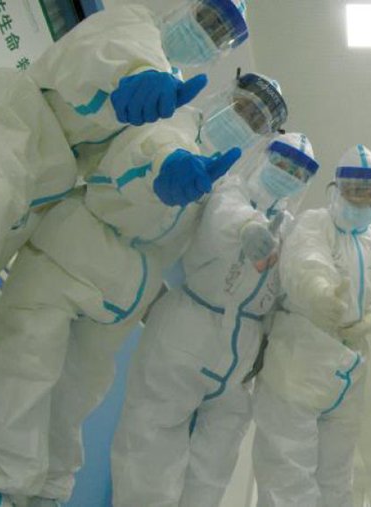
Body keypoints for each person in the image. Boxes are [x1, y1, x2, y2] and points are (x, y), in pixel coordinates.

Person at [0, 73, 285, 506]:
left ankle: (48, 493)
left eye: (258, 122)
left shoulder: (220, 180)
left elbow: (219, 224)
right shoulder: (174, 121)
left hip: (121, 294)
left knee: (75, 400)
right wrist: (164, 170)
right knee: (21, 372)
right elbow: (143, 153)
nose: (245, 122)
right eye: (245, 107)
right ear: (228, 95)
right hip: (70, 257)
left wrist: (248, 234)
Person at [0, 0, 250, 304]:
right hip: (15, 122)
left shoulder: (169, 100)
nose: (206, 34)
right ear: (190, 8)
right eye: (209, 19)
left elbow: (139, 148)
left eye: (219, 35)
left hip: (48, 181)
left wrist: (163, 165)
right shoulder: (136, 23)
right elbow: (114, 49)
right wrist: (137, 72)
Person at [110, 132, 317, 507]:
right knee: (152, 437)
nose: (288, 174)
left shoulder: (290, 228)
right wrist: (247, 228)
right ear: (266, 158)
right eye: (283, 163)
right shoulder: (232, 190)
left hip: (242, 353)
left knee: (215, 461)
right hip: (190, 327)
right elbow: (225, 214)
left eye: (299, 172)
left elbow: (288, 288)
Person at [251, 145, 371, 506]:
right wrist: (320, 294)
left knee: (337, 476)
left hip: (350, 367)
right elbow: (305, 260)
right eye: (356, 191)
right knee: (287, 472)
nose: (365, 201)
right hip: (300, 355)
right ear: (338, 191)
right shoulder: (315, 221)